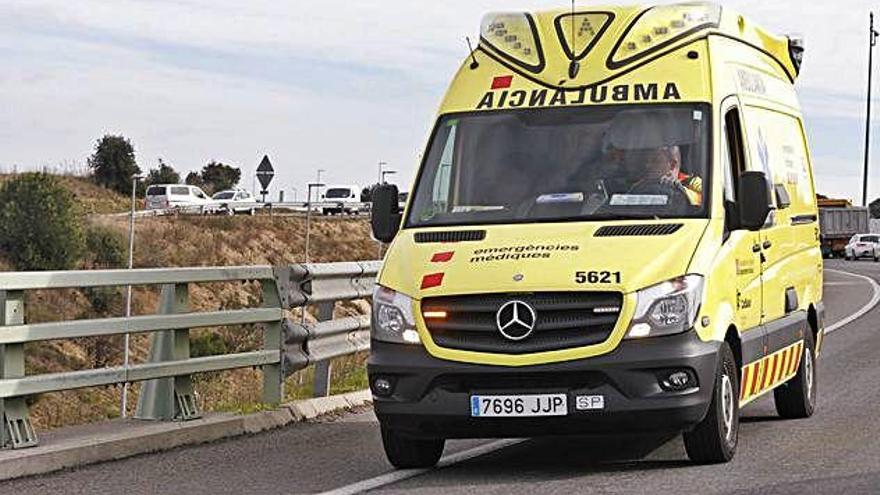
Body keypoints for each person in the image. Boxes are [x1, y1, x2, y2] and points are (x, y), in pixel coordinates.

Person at [621, 145, 702, 205]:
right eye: (647, 161)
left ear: (672, 164)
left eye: (655, 160)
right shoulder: (638, 186)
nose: (648, 165)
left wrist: (679, 189)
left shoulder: (693, 183)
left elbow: (709, 202)